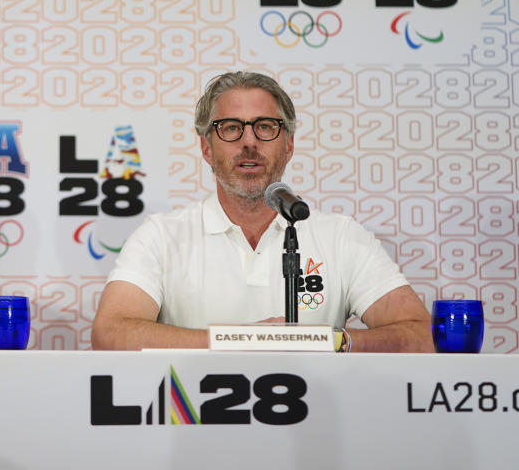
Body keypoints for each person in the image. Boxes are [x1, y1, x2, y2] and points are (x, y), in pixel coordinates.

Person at [92, 71, 433, 352]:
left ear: (289, 146)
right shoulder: (162, 236)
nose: (249, 142)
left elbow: (419, 335)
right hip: (196, 425)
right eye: (231, 127)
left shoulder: (341, 236)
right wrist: (241, 341)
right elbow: (111, 334)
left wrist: (331, 341)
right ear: (207, 149)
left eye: (266, 126)